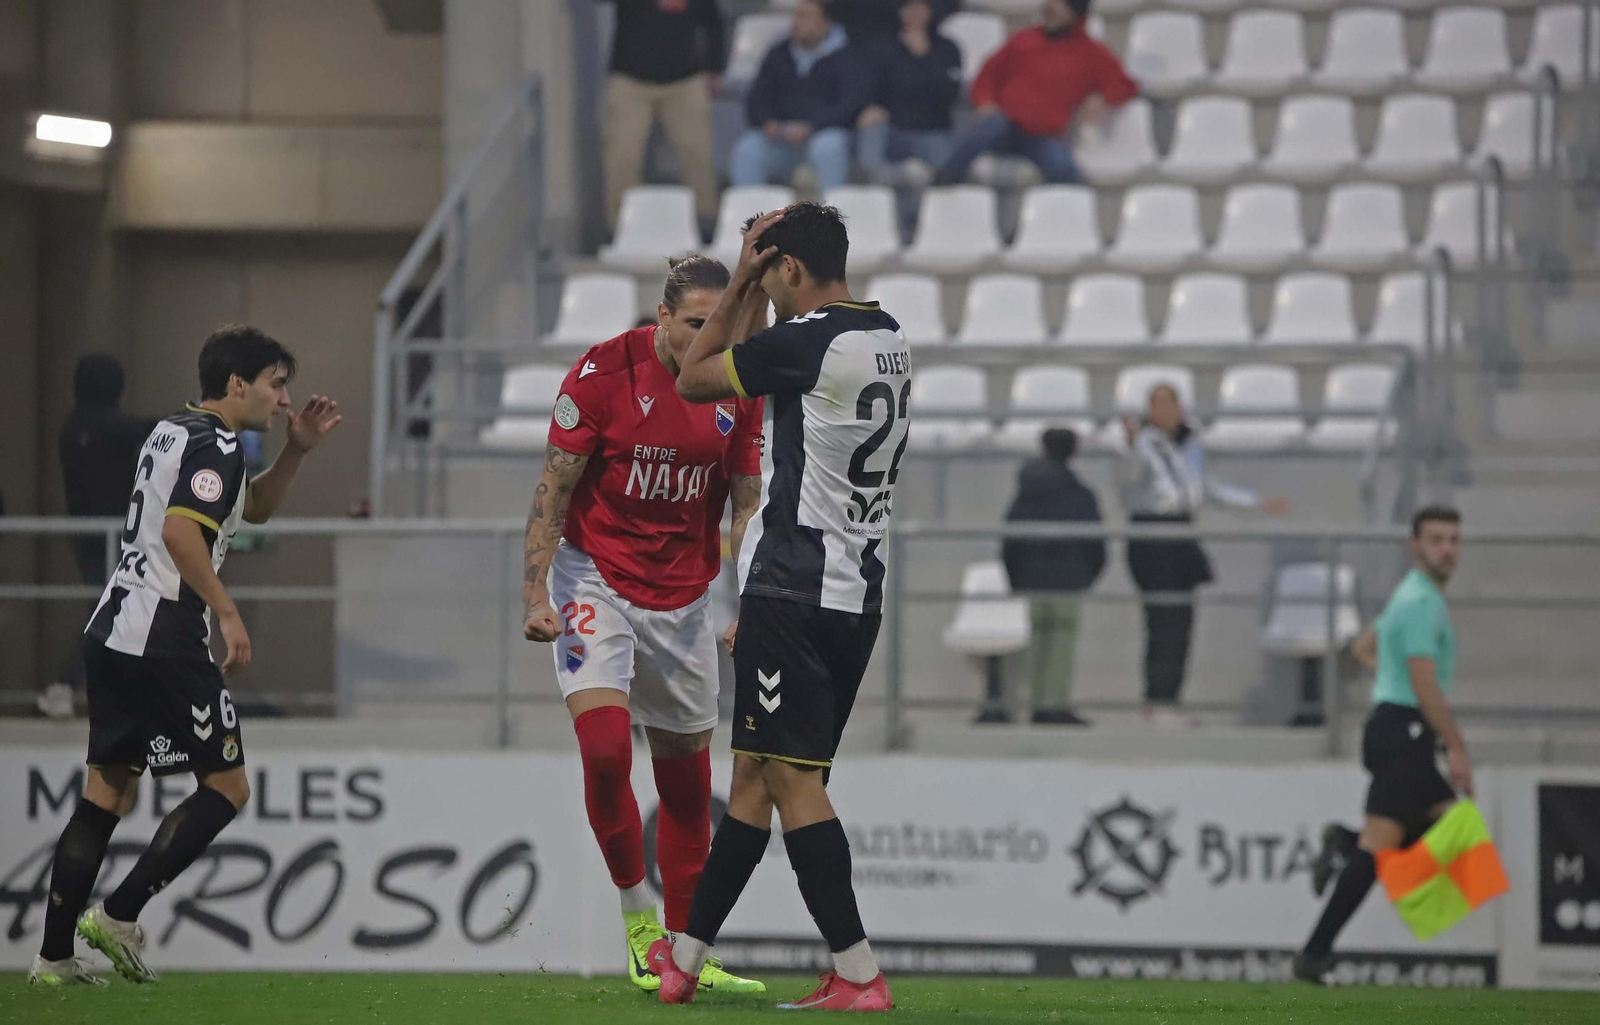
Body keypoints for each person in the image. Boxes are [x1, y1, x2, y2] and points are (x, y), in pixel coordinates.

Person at [647, 202, 907, 1011]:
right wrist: (763, 275)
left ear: (787, 268)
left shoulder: (804, 342)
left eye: (772, 267)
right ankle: (685, 960)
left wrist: (739, 279)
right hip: (856, 593)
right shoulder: (887, 333)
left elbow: (694, 375)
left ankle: (859, 973)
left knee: (791, 779)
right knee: (755, 778)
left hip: (793, 586)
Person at [27, 326, 342, 987]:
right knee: (228, 787)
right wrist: (227, 612)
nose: (283, 399)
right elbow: (179, 532)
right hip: (163, 635)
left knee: (105, 792)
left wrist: (295, 454)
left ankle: (52, 958)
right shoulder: (218, 442)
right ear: (237, 385)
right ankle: (117, 915)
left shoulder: (174, 429)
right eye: (275, 383)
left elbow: (247, 509)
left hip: (111, 628)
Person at [519, 255, 767, 996]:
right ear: (660, 319)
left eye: (717, 325)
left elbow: (746, 502)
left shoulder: (736, 387)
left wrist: (746, 599)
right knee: (602, 750)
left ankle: (687, 956)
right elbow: (551, 493)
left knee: (689, 789)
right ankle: (639, 926)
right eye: (695, 323)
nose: (707, 338)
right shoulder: (600, 376)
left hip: (685, 598)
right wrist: (536, 591)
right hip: (595, 576)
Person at [1294, 507, 1467, 985]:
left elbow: (1363, 649)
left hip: (1395, 726)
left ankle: (1343, 848)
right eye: (1436, 539)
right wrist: (1456, 746)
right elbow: (1423, 680)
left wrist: (1392, 685)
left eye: (1453, 540)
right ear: (1414, 545)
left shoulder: (1408, 597)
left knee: (1446, 836)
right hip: (1405, 729)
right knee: (1441, 843)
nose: (1447, 549)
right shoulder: (1421, 602)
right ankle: (1314, 952)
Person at [1119, 384, 1287, 727]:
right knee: (1161, 620)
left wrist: (1254, 502)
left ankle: (1171, 699)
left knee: (1182, 620)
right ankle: (1156, 700)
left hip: (1182, 530)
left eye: (1171, 403)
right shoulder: (1141, 443)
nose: (1166, 411)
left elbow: (1204, 486)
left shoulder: (1191, 443)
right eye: (1158, 404)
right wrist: (1130, 442)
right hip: (1151, 530)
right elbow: (1128, 479)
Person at [41, 355, 157, 720]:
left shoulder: (73, 426)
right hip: (109, 538)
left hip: (94, 537)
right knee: (114, 610)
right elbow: (149, 429)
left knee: (123, 611)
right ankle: (63, 686)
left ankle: (122, 697)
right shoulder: (102, 426)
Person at [936, 0, 1137, 186]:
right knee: (988, 127)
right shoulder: (1024, 40)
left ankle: (1056, 218)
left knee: (1063, 167)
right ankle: (943, 184)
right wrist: (984, 102)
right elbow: (987, 75)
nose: (1050, 8)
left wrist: (1101, 98)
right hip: (1005, 127)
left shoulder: (1092, 53)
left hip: (1044, 136)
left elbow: (1125, 85)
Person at [1001, 428, 1105, 726]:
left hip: (1030, 578)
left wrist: (1014, 576)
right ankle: (1054, 704)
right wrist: (1088, 576)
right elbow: (1095, 542)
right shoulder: (1081, 494)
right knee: (1062, 643)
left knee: (1033, 643)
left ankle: (1034, 704)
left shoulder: (1025, 491)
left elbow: (1010, 537)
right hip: (1069, 579)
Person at [600, 0, 726, 232]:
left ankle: (705, 223)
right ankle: (619, 227)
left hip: (685, 80)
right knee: (621, 156)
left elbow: (713, 22)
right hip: (630, 80)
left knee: (698, 155)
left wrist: (714, 68)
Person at [730, 0, 866, 192]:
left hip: (821, 134)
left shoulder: (845, 57)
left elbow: (848, 106)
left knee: (830, 147)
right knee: (747, 150)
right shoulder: (778, 54)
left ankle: (831, 217)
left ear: (825, 23)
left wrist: (811, 127)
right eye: (796, 16)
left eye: (806, 17)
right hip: (780, 137)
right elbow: (755, 102)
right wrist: (769, 123)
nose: (797, 23)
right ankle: (753, 217)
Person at [855, 0, 963, 186]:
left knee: (948, 167)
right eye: (909, 8)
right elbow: (869, 89)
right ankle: (874, 188)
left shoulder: (948, 48)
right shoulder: (884, 47)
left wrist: (924, 57)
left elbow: (948, 96)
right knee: (871, 131)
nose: (914, 13)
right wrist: (872, 108)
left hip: (932, 131)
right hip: (894, 129)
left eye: (920, 8)